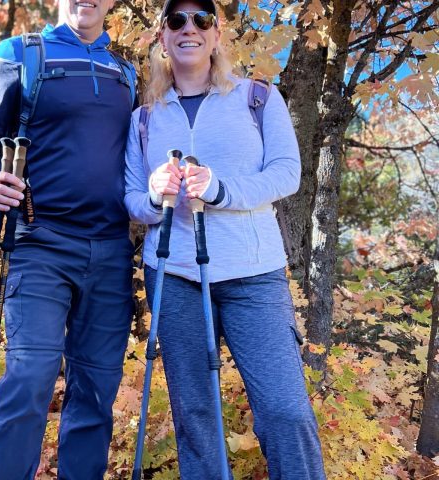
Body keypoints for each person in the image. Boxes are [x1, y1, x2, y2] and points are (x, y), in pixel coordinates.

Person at [124, 0, 327, 478]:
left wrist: (221, 190)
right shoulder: (145, 118)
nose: (188, 28)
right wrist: (154, 194)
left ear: (217, 36)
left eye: (201, 20)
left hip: (254, 276)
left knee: (285, 411)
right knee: (195, 417)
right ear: (162, 37)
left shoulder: (257, 98)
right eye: (176, 20)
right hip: (173, 275)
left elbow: (287, 174)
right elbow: (130, 199)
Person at [0, 0, 138, 478]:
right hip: (40, 242)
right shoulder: (20, 51)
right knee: (29, 378)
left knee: (97, 391)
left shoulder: (128, 72)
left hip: (112, 251)